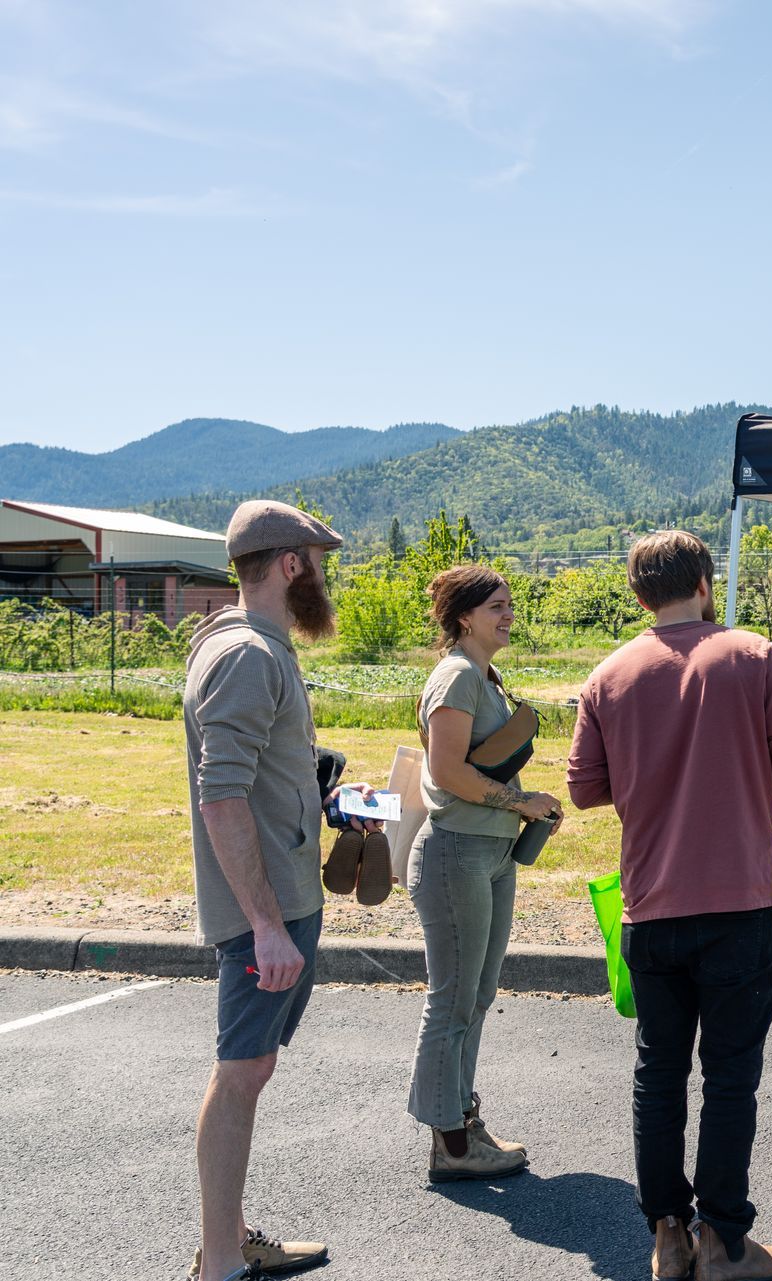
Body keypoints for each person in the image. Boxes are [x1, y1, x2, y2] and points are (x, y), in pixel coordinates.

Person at [566, 530, 772, 1281]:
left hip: (650, 905)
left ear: (641, 597)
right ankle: (725, 1242)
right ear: (706, 582)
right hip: (739, 902)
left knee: (658, 1072)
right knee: (731, 1075)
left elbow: (583, 787)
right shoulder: (752, 655)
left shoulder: (607, 676)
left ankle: (667, 1234)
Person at [183, 500, 382, 1281]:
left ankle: (228, 1241)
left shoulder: (250, 644)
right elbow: (222, 795)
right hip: (261, 912)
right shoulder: (247, 655)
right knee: (241, 1071)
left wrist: (325, 792)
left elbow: (258, 776)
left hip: (284, 896)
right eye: (318, 560)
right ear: (292, 564)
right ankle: (223, 1262)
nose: (324, 576)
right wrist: (265, 924)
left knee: (249, 1067)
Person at [408, 565, 564, 1181]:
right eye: (495, 606)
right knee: (452, 1000)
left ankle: (461, 1121)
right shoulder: (455, 676)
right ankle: (450, 1142)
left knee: (476, 996)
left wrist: (527, 806)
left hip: (490, 856)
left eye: (509, 605)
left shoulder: (483, 676)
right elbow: (447, 772)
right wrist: (520, 802)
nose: (507, 615)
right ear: (464, 616)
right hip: (458, 855)